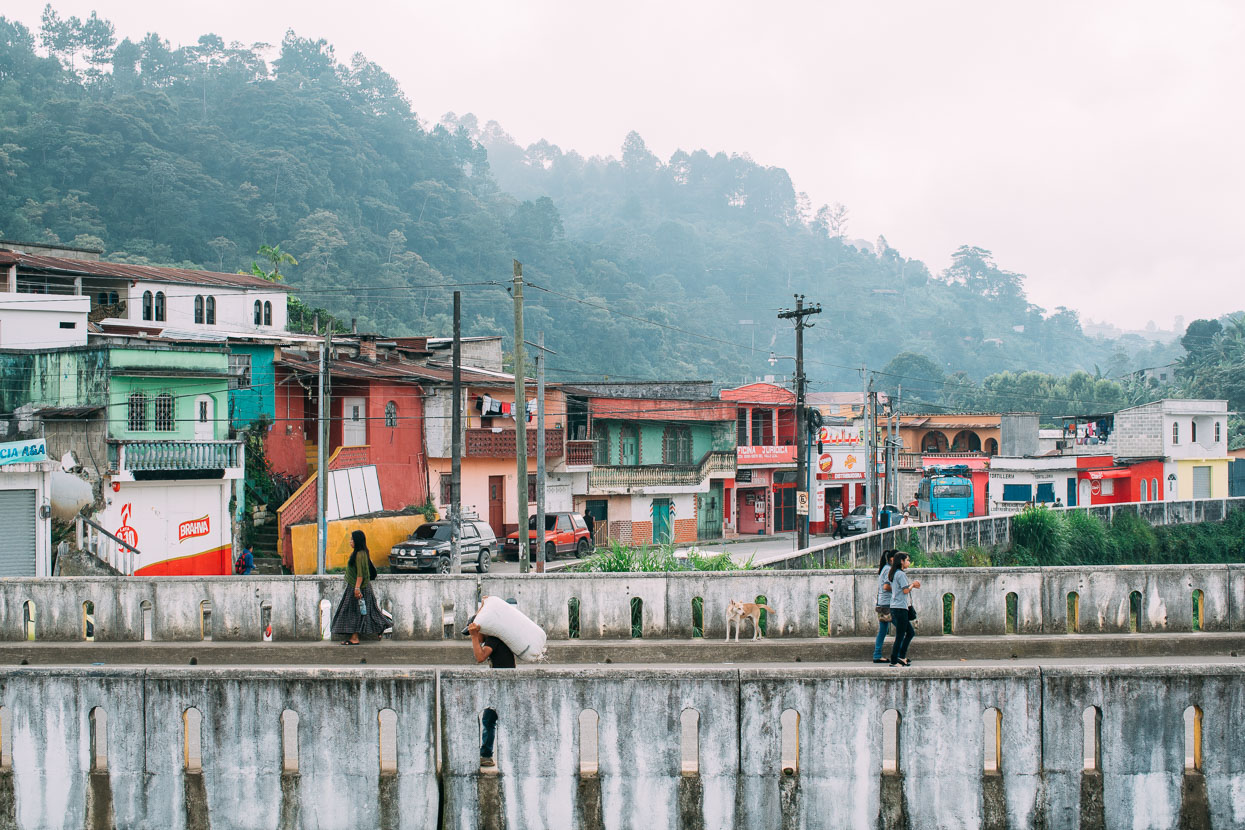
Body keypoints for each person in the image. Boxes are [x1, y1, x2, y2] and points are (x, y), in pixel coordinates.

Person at [468, 608, 515, 768]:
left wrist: (474, 636)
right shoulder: (495, 638)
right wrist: (483, 604)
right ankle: (487, 754)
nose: (476, 638)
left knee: (489, 720)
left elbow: (480, 657)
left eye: (477, 634)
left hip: (503, 686)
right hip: (503, 684)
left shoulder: (493, 639)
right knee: (492, 720)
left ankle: (486, 755)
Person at [330, 530, 388, 645]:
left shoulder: (360, 554)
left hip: (358, 588)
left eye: (352, 539)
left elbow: (360, 574)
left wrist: (357, 589)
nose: (350, 542)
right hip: (358, 587)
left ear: (357, 541)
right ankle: (379, 627)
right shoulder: (359, 553)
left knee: (355, 612)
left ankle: (355, 637)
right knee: (366, 611)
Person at [887, 552, 920, 666]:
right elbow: (905, 590)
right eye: (907, 560)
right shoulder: (900, 574)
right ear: (901, 561)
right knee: (901, 635)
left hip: (897, 607)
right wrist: (913, 585)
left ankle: (901, 656)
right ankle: (894, 660)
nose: (909, 562)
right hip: (900, 608)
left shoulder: (894, 573)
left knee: (909, 632)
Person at [873, 550, 894, 664]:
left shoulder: (884, 569)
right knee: (904, 629)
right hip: (887, 604)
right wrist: (898, 588)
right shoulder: (888, 570)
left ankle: (877, 655)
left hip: (882, 603)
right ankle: (899, 655)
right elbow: (886, 587)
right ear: (891, 559)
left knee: (883, 630)